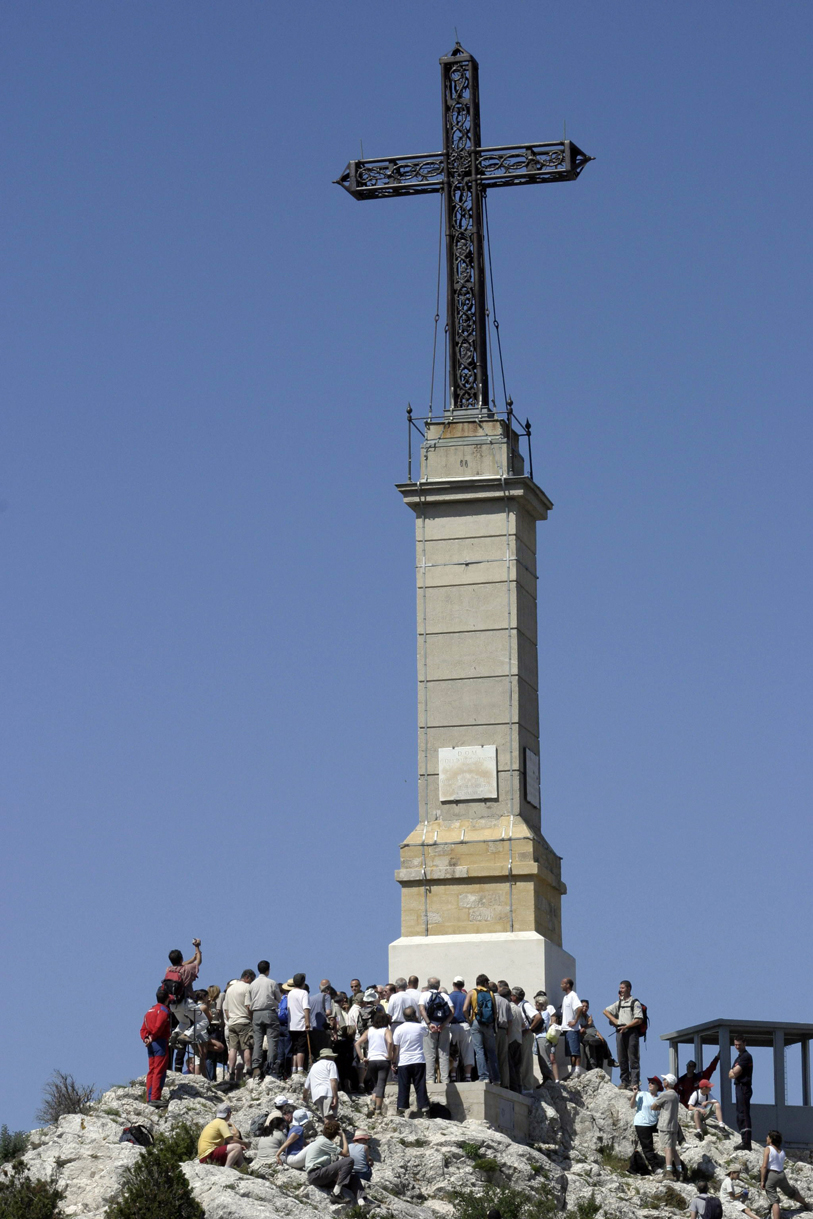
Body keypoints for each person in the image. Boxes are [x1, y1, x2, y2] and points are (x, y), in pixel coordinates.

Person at [165, 939, 202, 1071]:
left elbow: (181, 965)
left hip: (172, 1006)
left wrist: (190, 959)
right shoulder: (187, 969)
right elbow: (199, 962)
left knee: (174, 1033)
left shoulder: (169, 970)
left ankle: (169, 1067)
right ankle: (179, 1067)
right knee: (185, 1034)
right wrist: (197, 948)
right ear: (181, 958)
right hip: (186, 1003)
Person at [305, 1118, 361, 1202]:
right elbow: (346, 1154)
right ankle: (336, 1193)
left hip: (318, 1175)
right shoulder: (324, 1141)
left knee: (353, 1178)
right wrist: (343, 1136)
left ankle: (362, 1203)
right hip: (316, 1174)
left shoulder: (320, 1140)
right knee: (349, 1160)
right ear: (336, 1134)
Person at [602, 980, 643, 1091]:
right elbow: (605, 1011)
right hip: (620, 1031)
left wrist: (627, 1026)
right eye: (620, 988)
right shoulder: (619, 1003)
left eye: (623, 988)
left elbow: (639, 1020)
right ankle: (624, 1082)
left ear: (629, 989)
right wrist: (615, 1021)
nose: (621, 990)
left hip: (631, 1032)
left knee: (633, 1058)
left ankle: (634, 1082)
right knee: (622, 1058)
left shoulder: (635, 1002)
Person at [760, 1129, 810, 1219]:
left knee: (774, 1200)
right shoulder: (781, 1151)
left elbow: (764, 1166)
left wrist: (762, 1181)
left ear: (771, 1139)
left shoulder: (768, 1149)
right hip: (781, 1175)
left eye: (768, 1136)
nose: (766, 1138)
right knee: (791, 1193)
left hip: (771, 1174)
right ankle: (806, 1204)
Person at [392, 1007, 430, 1116]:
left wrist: (394, 1062)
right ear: (414, 1015)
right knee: (420, 1085)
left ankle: (401, 1108)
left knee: (403, 1085)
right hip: (419, 1060)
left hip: (404, 1061)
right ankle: (424, 1108)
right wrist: (418, 1021)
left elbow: (396, 1048)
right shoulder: (420, 1027)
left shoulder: (399, 1029)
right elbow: (427, 1033)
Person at [248, 961, 282, 1080]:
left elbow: (248, 1002)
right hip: (269, 1012)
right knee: (272, 1039)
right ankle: (271, 1065)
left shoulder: (252, 985)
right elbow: (279, 999)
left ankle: (256, 1066)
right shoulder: (272, 983)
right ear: (268, 970)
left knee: (258, 1040)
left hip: (256, 1013)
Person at [650, 1072, 687, 1181]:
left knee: (667, 1149)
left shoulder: (664, 1095)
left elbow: (653, 1106)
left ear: (668, 1083)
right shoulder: (675, 1095)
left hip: (665, 1125)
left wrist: (659, 1108)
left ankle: (669, 1172)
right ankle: (680, 1171)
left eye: (665, 1080)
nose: (663, 1081)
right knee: (673, 1149)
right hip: (674, 1125)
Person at [355, 1011, 393, 1116]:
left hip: (371, 1060)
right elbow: (390, 1042)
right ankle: (378, 1109)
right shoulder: (386, 1030)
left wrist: (362, 1057)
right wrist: (389, 1055)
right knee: (381, 1084)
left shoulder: (369, 1030)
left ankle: (372, 1105)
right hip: (383, 1060)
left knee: (376, 1084)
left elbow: (357, 1043)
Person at [464, 974, 499, 1084]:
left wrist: (469, 1019)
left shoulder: (472, 992)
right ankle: (496, 1078)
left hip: (476, 1023)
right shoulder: (491, 993)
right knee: (491, 1052)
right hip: (488, 1024)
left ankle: (484, 1077)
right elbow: (495, 1012)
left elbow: (464, 1009)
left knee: (479, 1050)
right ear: (485, 983)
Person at [419, 978, 455, 1084]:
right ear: (439, 986)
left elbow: (422, 1010)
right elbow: (452, 1011)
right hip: (443, 1028)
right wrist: (443, 1024)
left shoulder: (424, 995)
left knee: (429, 1054)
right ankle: (445, 1078)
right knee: (444, 1053)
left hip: (428, 1028)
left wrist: (429, 1023)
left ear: (428, 985)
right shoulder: (445, 996)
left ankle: (430, 1078)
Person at [141, 986, 171, 1107]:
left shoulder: (150, 1011)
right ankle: (155, 1097)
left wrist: (146, 1038)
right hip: (160, 1042)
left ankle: (150, 1097)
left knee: (152, 1070)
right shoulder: (164, 1010)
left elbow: (143, 1028)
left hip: (150, 1043)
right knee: (159, 1070)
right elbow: (159, 1026)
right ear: (167, 998)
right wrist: (153, 1037)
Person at [224, 969, 255, 1082]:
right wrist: (251, 1019)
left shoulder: (230, 989)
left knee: (233, 1048)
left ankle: (231, 1070)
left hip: (232, 1022)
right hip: (244, 1020)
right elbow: (248, 1006)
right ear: (247, 977)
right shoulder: (247, 988)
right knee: (247, 1047)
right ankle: (248, 1071)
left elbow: (226, 1010)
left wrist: (230, 1018)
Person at [629, 1076, 662, 1174]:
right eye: (649, 1082)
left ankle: (681, 1141)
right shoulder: (642, 1094)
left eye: (653, 1083)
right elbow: (632, 1105)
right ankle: (655, 1167)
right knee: (647, 1146)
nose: (650, 1084)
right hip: (642, 1123)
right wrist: (635, 1094)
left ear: (657, 1087)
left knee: (672, 1125)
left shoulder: (659, 1098)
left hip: (654, 1123)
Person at [198, 1103, 247, 1168]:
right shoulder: (222, 1122)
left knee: (238, 1153)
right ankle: (227, 1169)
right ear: (229, 1114)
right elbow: (231, 1140)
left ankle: (244, 1170)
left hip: (203, 1157)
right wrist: (245, 1144)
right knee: (237, 1147)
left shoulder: (214, 1122)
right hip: (209, 1155)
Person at [729, 1033, 753, 1151]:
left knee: (744, 1113)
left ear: (744, 1043)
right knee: (739, 1113)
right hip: (738, 1087)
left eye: (739, 1044)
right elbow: (730, 1074)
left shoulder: (746, 1057)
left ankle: (747, 1142)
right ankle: (743, 1139)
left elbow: (735, 1072)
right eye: (735, 1045)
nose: (737, 1047)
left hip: (744, 1086)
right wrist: (733, 1072)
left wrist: (734, 1072)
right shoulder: (738, 1058)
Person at [511, 987, 538, 1093]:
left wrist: (529, 1029)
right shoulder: (517, 1005)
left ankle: (527, 1087)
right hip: (520, 1035)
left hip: (526, 1035)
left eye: (512, 995)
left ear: (515, 996)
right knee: (521, 1060)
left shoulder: (525, 1005)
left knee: (526, 1060)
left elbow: (537, 1017)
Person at [447, 977, 474, 1082]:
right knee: (467, 1051)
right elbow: (468, 1010)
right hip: (465, 1025)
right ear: (463, 985)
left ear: (453, 984)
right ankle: (468, 1076)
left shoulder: (449, 997)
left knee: (453, 1051)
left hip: (452, 1026)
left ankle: (453, 1075)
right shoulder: (466, 997)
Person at [530, 991, 560, 1083]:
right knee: (541, 1059)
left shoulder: (545, 1013)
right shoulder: (540, 1013)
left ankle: (549, 1078)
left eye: (536, 1003)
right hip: (539, 1038)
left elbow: (542, 1026)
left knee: (545, 1059)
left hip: (543, 1037)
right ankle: (545, 1079)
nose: (535, 1004)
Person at [579, 1000, 614, 1074]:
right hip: (582, 1037)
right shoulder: (578, 1016)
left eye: (586, 1006)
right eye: (583, 1006)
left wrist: (600, 1037)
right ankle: (591, 1066)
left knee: (601, 1041)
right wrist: (588, 1024)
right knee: (590, 1042)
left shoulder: (588, 1017)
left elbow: (593, 1029)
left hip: (590, 1035)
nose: (585, 1008)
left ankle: (609, 1059)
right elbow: (581, 1030)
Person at [304, 1047, 340, 1117]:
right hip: (327, 1093)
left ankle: (326, 1127)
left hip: (316, 1095)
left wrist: (304, 1097)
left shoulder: (314, 1066)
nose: (333, 1058)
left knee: (325, 1117)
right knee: (330, 1118)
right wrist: (335, 1097)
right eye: (332, 1056)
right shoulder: (331, 1063)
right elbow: (333, 1080)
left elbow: (307, 1085)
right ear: (327, 1056)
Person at [287, 973, 311, 1075]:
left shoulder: (290, 993)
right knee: (301, 1047)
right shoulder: (304, 993)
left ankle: (293, 1069)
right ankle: (300, 1069)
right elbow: (306, 1008)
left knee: (294, 1048)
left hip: (291, 1024)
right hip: (301, 1024)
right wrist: (307, 1022)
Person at [561, 978, 585, 1078]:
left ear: (568, 985)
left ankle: (577, 1069)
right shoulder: (565, 997)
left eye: (562, 984)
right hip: (566, 1029)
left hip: (573, 1029)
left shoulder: (573, 995)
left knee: (575, 1050)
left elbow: (579, 1007)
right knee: (571, 1052)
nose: (561, 986)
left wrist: (575, 1021)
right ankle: (573, 1070)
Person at [494, 982, 514, 1089]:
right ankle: (505, 1083)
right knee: (504, 1059)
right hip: (504, 1030)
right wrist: (508, 1033)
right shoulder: (506, 1002)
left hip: (495, 1030)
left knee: (494, 1057)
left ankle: (496, 1080)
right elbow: (510, 1020)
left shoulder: (493, 999)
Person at [309, 980, 335, 1058]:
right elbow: (328, 1012)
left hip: (311, 1028)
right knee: (322, 1052)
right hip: (320, 1029)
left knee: (314, 1052)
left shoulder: (311, 998)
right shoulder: (326, 996)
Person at [506, 990, 524, 1093]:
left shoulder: (510, 1007)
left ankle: (514, 1087)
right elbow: (523, 1024)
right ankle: (519, 1087)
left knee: (510, 1064)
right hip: (518, 1039)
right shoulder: (518, 1008)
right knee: (517, 1066)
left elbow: (509, 1022)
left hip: (511, 1039)